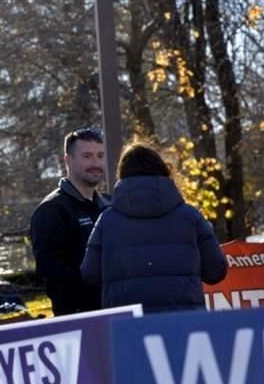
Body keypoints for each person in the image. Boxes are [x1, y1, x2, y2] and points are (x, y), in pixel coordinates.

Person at [80, 141, 227, 312]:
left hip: (126, 323)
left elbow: (90, 273)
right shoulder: (190, 217)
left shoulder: (106, 221)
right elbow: (216, 271)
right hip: (184, 322)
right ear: (163, 170)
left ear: (122, 175)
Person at [30, 126, 111, 315]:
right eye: (87, 156)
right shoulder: (51, 211)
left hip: (117, 313)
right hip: (79, 320)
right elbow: (52, 275)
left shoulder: (111, 205)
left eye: (100, 156)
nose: (95, 163)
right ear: (68, 160)